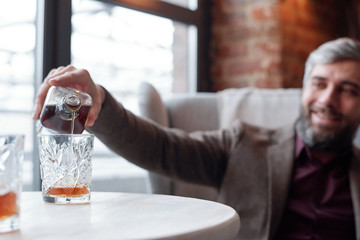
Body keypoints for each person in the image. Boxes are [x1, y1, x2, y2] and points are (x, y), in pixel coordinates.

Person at [32, 37, 360, 240]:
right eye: (319, 83)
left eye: (348, 90)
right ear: (304, 89)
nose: (328, 99)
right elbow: (162, 147)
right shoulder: (244, 144)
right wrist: (100, 102)